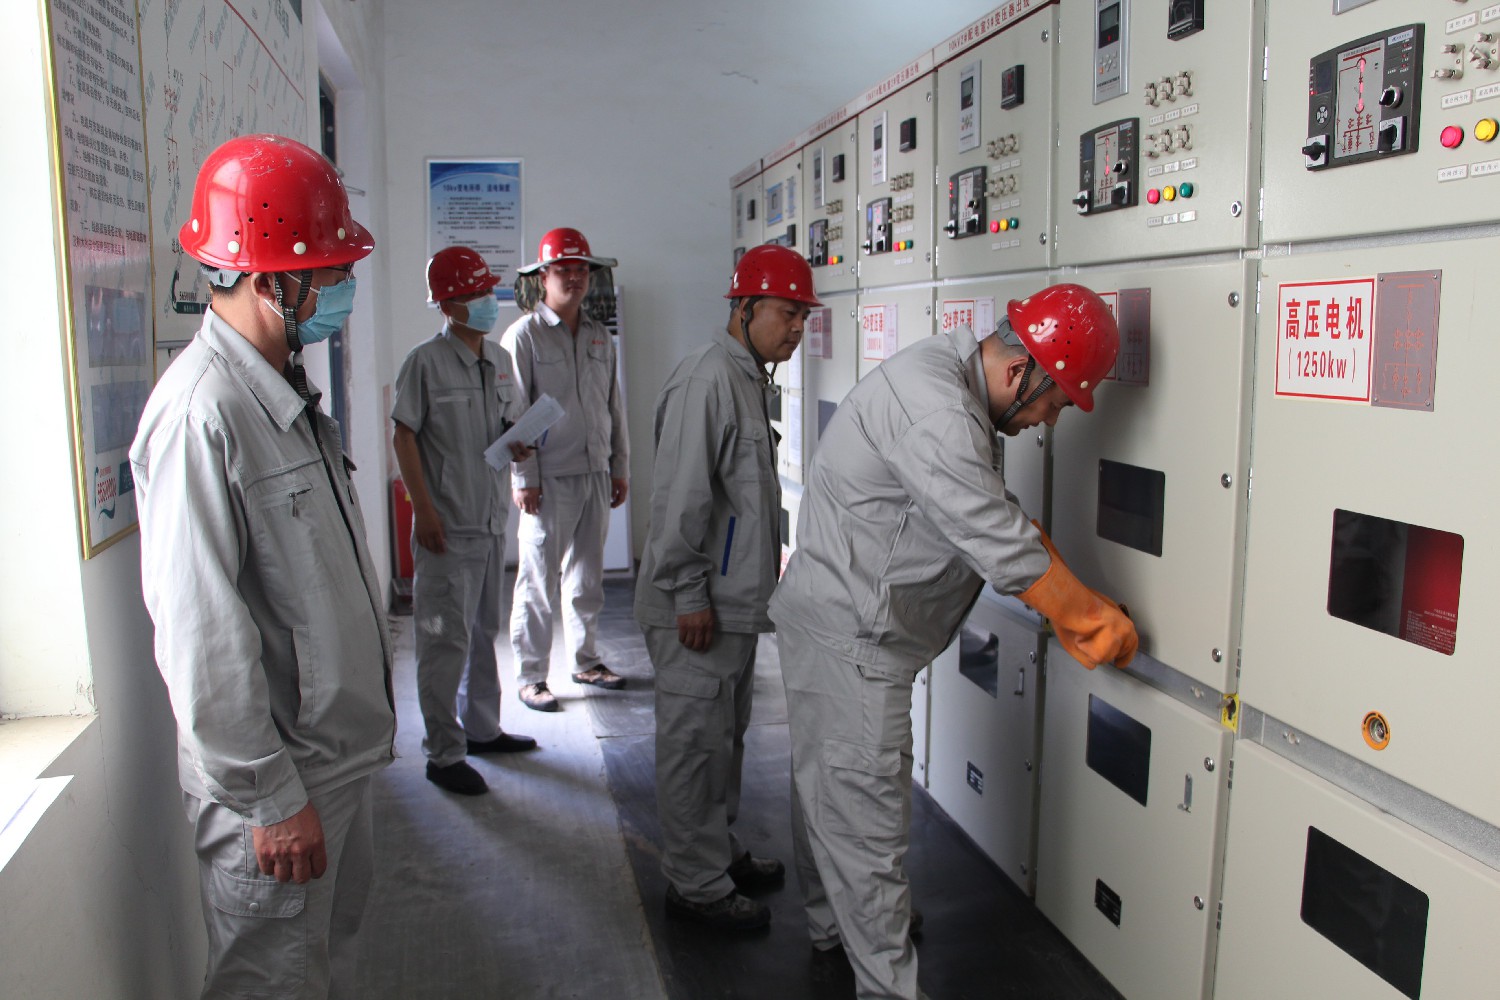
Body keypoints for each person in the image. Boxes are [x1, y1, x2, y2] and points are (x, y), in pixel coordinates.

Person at [768, 283, 1140, 1000]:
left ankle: (834, 928)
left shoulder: (950, 381)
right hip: (853, 644)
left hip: (838, 626)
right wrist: (1093, 624)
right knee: (866, 825)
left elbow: (996, 515)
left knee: (829, 793)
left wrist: (1080, 597)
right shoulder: (938, 410)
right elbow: (998, 539)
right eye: (1056, 403)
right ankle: (886, 981)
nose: (1049, 421)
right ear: (1020, 370)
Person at [130, 134, 395, 1000]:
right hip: (280, 786)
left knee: (327, 969)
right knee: (273, 984)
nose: (341, 288)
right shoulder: (201, 414)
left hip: (332, 763)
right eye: (329, 271)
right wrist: (270, 798)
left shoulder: (280, 389)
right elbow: (201, 639)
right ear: (268, 280)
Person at [635, 245, 816, 930]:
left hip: (731, 606)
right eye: (787, 312)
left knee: (724, 739)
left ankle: (715, 850)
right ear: (744, 307)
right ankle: (696, 883)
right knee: (693, 746)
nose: (796, 328)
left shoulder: (745, 379)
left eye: (803, 316)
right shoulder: (708, 380)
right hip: (697, 608)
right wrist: (688, 594)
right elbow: (679, 502)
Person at [391, 246, 538, 797]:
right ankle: (443, 754)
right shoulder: (424, 363)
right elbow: (404, 437)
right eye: (474, 294)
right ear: (447, 304)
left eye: (486, 290)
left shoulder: (498, 359)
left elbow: (506, 425)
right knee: (443, 642)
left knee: (483, 633)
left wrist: (518, 443)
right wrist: (423, 509)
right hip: (446, 529)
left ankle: (481, 729)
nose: (486, 301)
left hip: (490, 521)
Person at [503, 227, 630, 711]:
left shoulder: (599, 335)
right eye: (564, 270)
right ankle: (531, 675)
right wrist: (525, 479)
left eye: (581, 270)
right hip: (549, 478)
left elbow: (613, 406)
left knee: (587, 578)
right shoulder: (524, 336)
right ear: (544, 277)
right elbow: (516, 414)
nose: (574, 278)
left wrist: (619, 466)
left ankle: (586, 660)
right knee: (537, 580)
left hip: (595, 471)